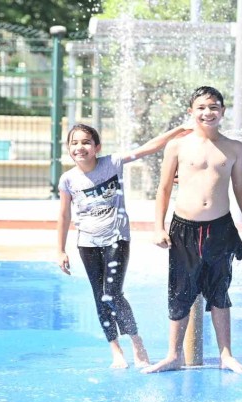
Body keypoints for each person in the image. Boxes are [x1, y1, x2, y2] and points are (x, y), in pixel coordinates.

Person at [57, 122, 193, 369]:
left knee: (112, 292)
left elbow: (148, 148)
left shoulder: (112, 163)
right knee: (100, 297)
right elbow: (64, 215)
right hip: (87, 243)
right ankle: (115, 350)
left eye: (86, 142)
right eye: (74, 143)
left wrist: (178, 130)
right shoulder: (68, 179)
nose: (80, 147)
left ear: (97, 147)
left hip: (116, 238)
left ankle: (136, 341)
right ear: (68, 148)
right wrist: (60, 250)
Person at [143, 86, 242, 375]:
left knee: (220, 289)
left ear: (223, 111)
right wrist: (158, 227)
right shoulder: (178, 146)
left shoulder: (234, 148)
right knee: (180, 290)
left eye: (214, 107)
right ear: (191, 111)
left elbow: (240, 188)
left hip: (220, 227)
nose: (208, 112)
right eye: (202, 107)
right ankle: (173, 355)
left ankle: (226, 355)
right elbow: (164, 188)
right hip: (184, 228)